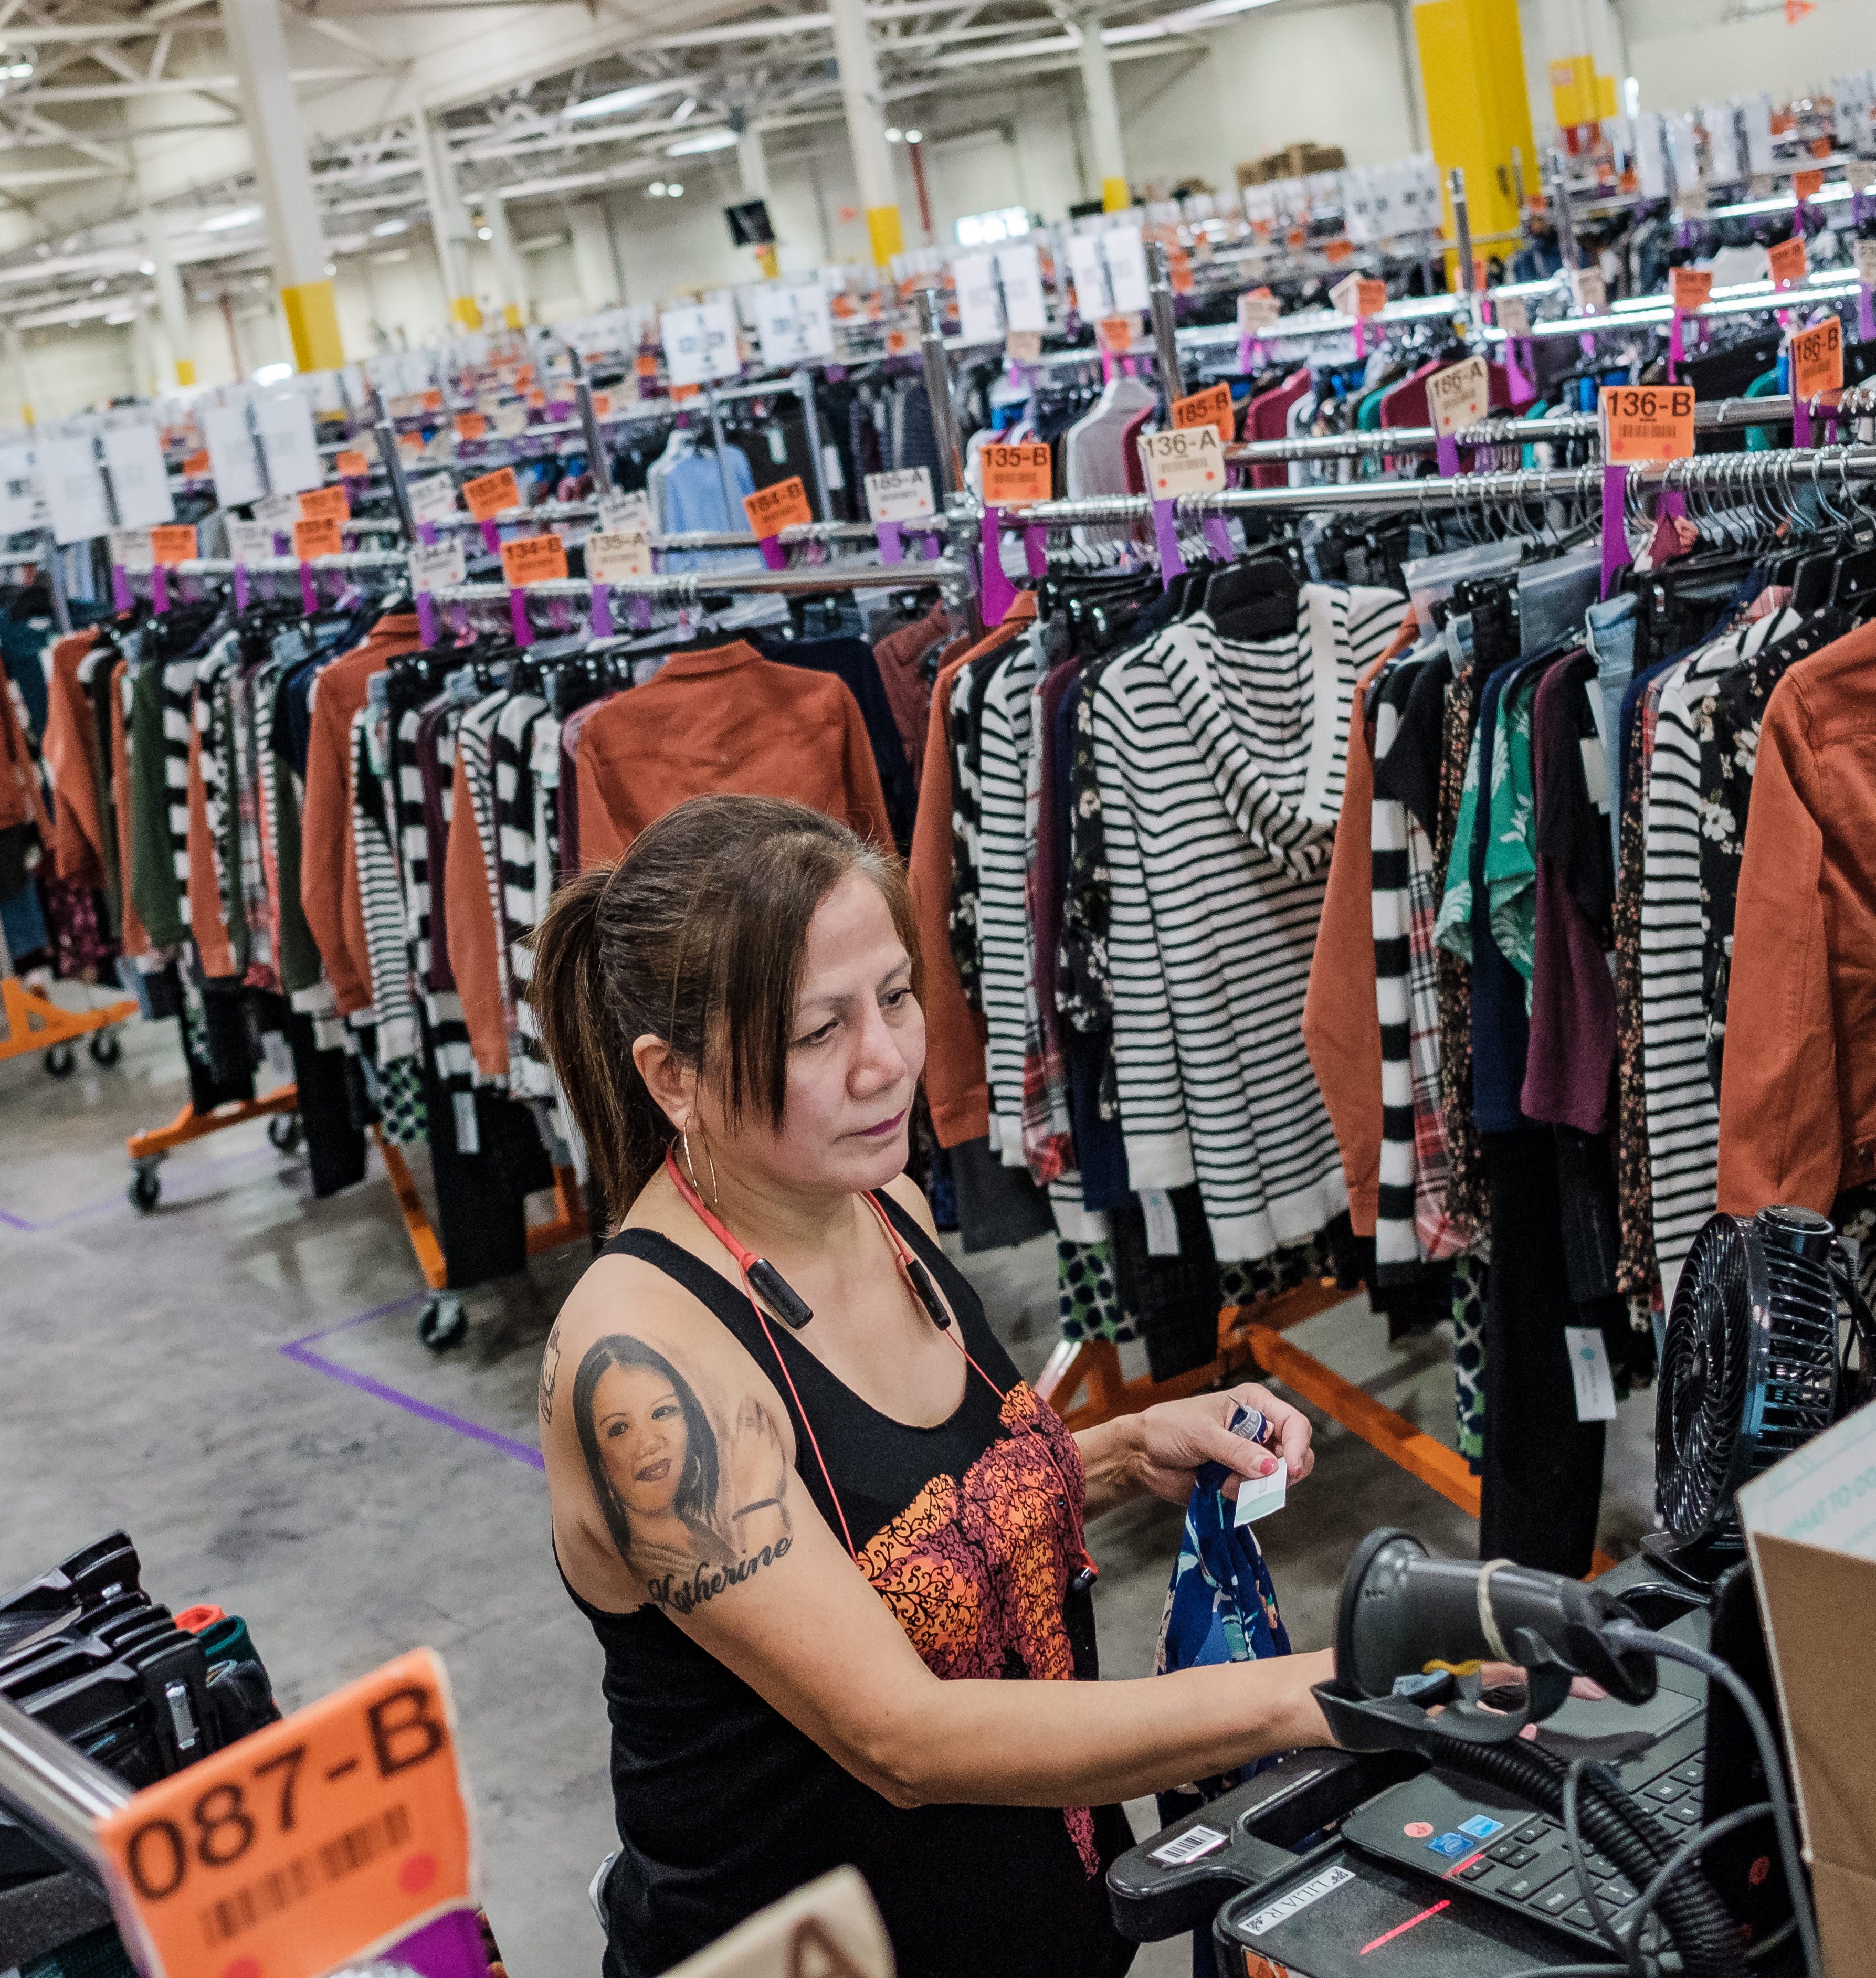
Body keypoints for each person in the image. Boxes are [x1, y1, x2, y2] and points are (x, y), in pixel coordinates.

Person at [529, 795, 1336, 1978]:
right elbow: (901, 1732)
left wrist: (1116, 1451)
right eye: (816, 1032)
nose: (887, 1059)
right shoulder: (644, 1366)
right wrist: (1315, 1692)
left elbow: (911, 1516)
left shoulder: (879, 1206)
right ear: (674, 1075)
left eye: (896, 996)